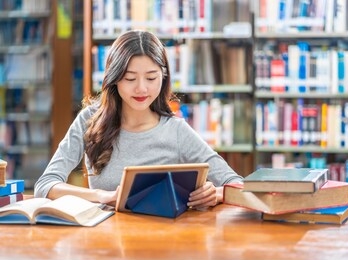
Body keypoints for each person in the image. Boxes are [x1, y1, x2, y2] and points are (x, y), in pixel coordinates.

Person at [34, 30, 243, 209]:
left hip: (162, 240)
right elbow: (45, 184)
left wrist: (216, 193)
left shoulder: (176, 130)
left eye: (151, 78)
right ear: (114, 79)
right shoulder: (90, 119)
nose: (141, 88)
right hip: (104, 243)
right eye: (130, 78)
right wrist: (101, 197)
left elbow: (236, 183)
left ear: (164, 77)